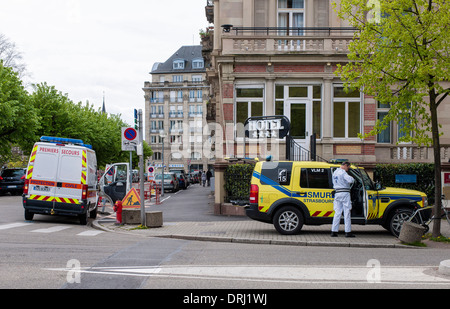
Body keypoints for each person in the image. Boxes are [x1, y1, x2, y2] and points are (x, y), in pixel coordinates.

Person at [331, 161, 355, 238]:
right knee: (347, 212)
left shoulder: (335, 172)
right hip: (345, 193)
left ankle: (334, 231)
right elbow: (350, 180)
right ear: (345, 165)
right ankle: (348, 232)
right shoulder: (343, 173)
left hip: (337, 193)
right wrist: (352, 178)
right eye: (348, 167)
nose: (348, 169)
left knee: (337, 212)